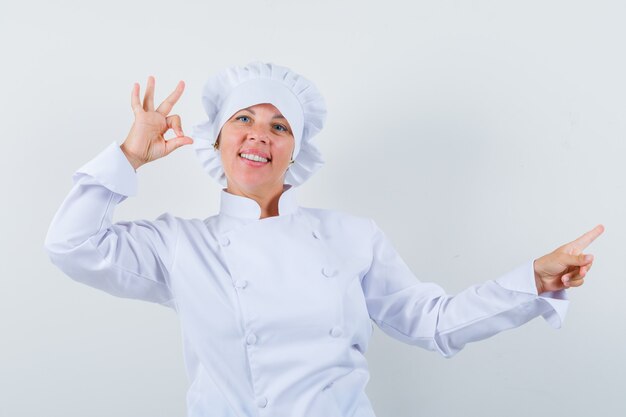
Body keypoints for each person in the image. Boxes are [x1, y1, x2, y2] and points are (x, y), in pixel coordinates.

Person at [44, 62, 604, 417]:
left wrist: (532, 280)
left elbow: (433, 323)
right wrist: (130, 156)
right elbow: (71, 246)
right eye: (243, 118)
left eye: (279, 125)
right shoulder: (178, 247)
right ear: (217, 140)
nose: (260, 133)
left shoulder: (351, 238)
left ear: (296, 151)